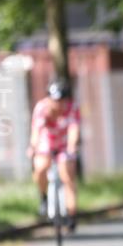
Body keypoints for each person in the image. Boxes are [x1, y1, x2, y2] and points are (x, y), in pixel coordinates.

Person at [28, 80, 81, 231]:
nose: (57, 104)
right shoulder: (42, 108)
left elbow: (74, 130)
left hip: (64, 144)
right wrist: (33, 147)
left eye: (61, 100)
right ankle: (43, 196)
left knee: (67, 176)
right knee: (40, 168)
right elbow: (36, 131)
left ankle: (71, 215)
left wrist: (72, 148)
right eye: (54, 100)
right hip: (46, 142)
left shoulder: (72, 108)